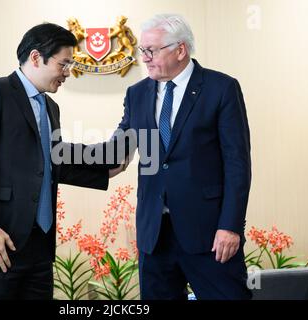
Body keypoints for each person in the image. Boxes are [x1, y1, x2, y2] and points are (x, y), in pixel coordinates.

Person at [0, 23, 124, 300]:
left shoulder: (50, 107)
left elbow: (49, 162)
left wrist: (104, 172)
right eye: (64, 64)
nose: (68, 73)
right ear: (36, 57)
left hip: (39, 243)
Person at [116, 14, 252, 299]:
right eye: (143, 51)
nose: (145, 58)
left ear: (180, 50)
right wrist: (61, 158)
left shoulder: (221, 88)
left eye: (151, 51)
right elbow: (118, 151)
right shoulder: (137, 93)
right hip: (155, 235)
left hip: (210, 234)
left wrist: (230, 226)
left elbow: (237, 163)